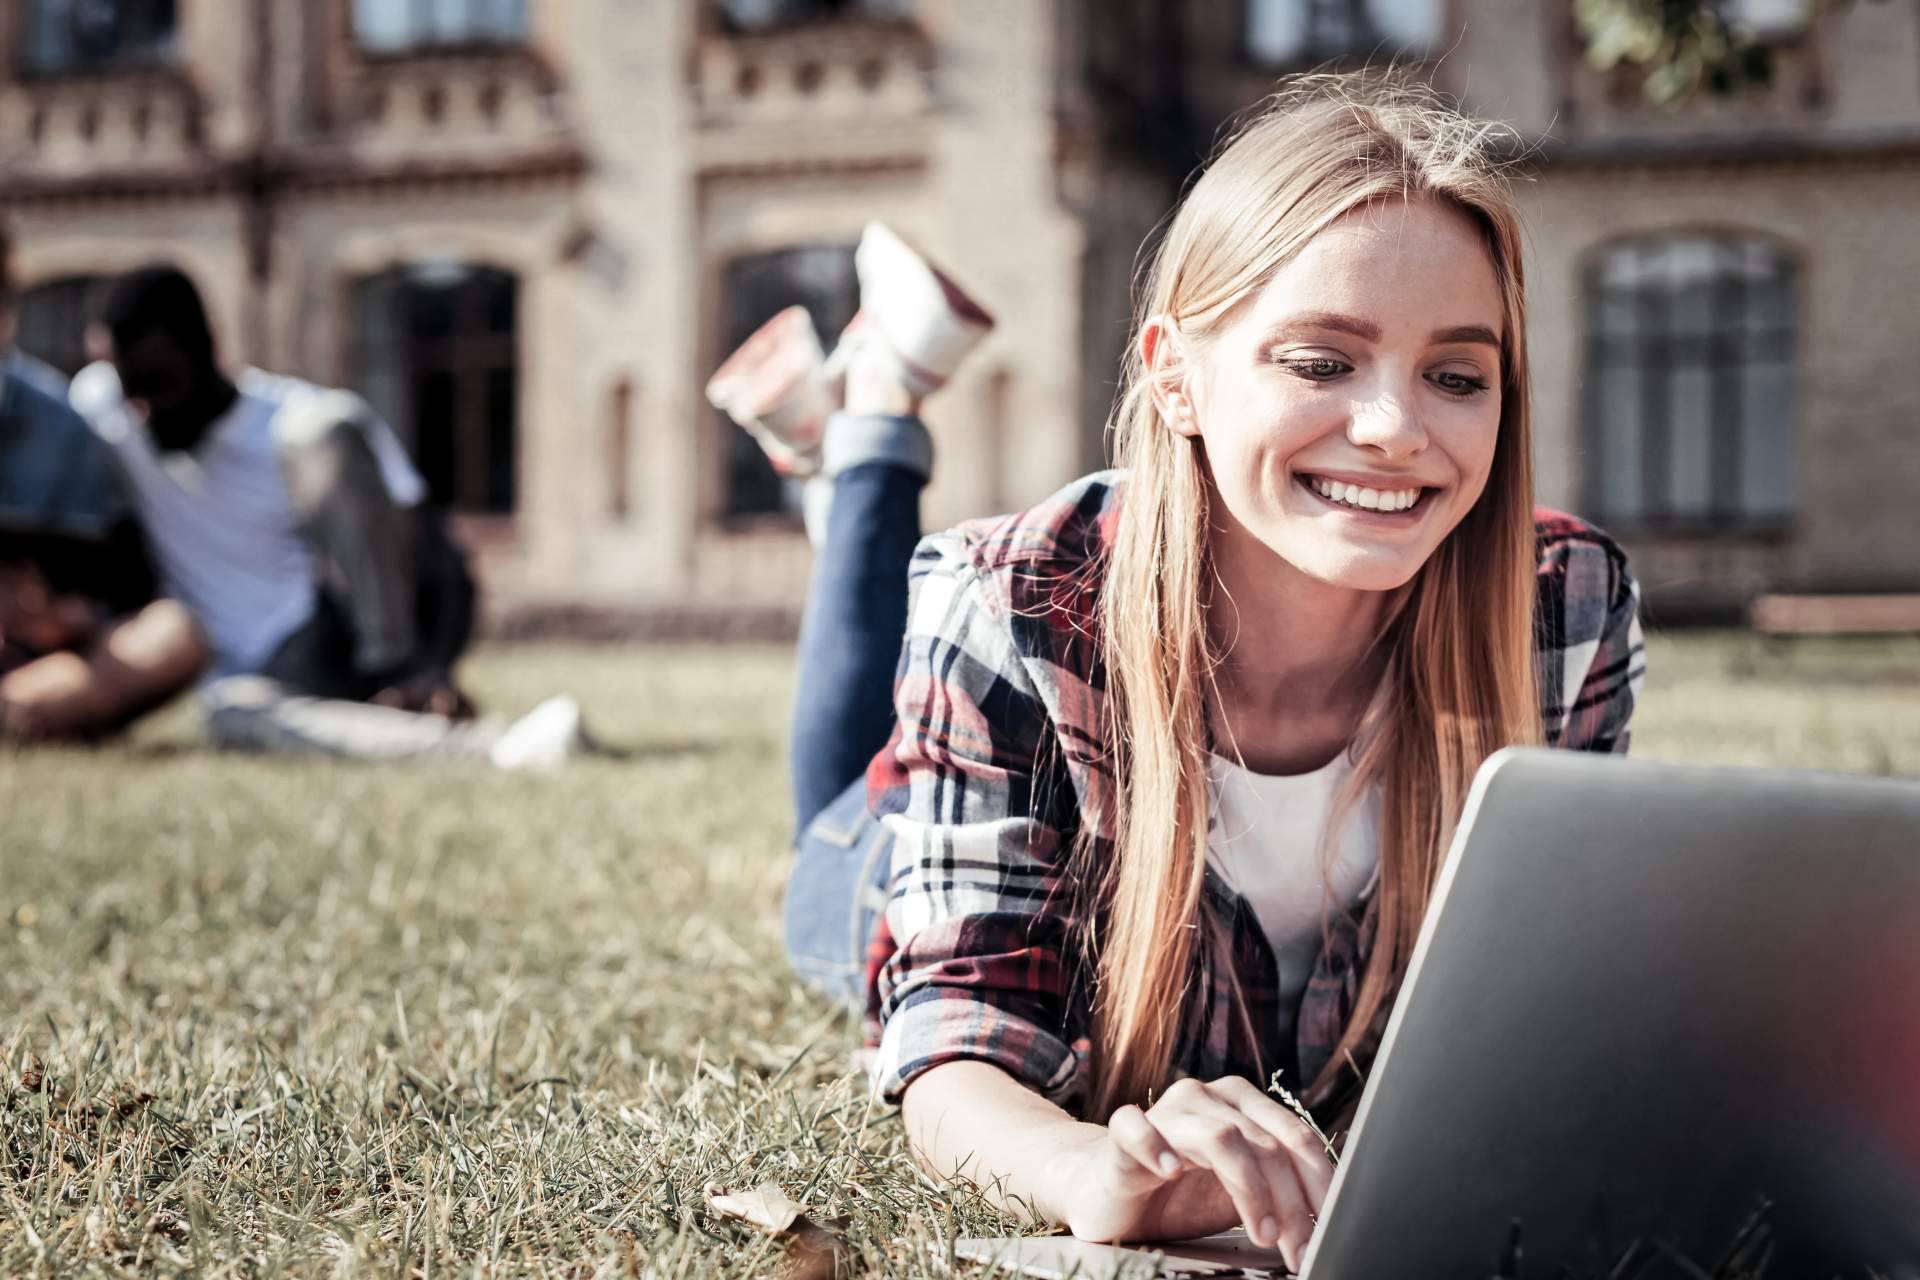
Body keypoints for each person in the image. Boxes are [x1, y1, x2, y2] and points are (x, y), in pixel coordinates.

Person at [711, 75, 1645, 1270]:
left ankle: (840, 435)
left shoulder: (1564, 606)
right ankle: (871, 423)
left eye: (1456, 375)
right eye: (1320, 361)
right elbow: (956, 1029)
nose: (1397, 428)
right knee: (845, 812)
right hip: (888, 852)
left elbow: (1554, 1010)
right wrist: (1078, 1167)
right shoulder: (1009, 600)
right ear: (1175, 376)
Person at [69, 266, 587, 767]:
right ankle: (494, 751)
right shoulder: (105, 408)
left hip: (333, 634)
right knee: (233, 714)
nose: (142, 411)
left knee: (325, 433)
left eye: (158, 385)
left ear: (208, 348)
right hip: (253, 681)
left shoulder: (291, 418)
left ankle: (400, 679)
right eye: (127, 388)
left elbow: (443, 558)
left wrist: (432, 667)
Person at [0, 232, 208, 742]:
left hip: (36, 661)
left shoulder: (65, 427)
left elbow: (107, 595)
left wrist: (65, 617)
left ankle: (28, 712)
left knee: (174, 633)